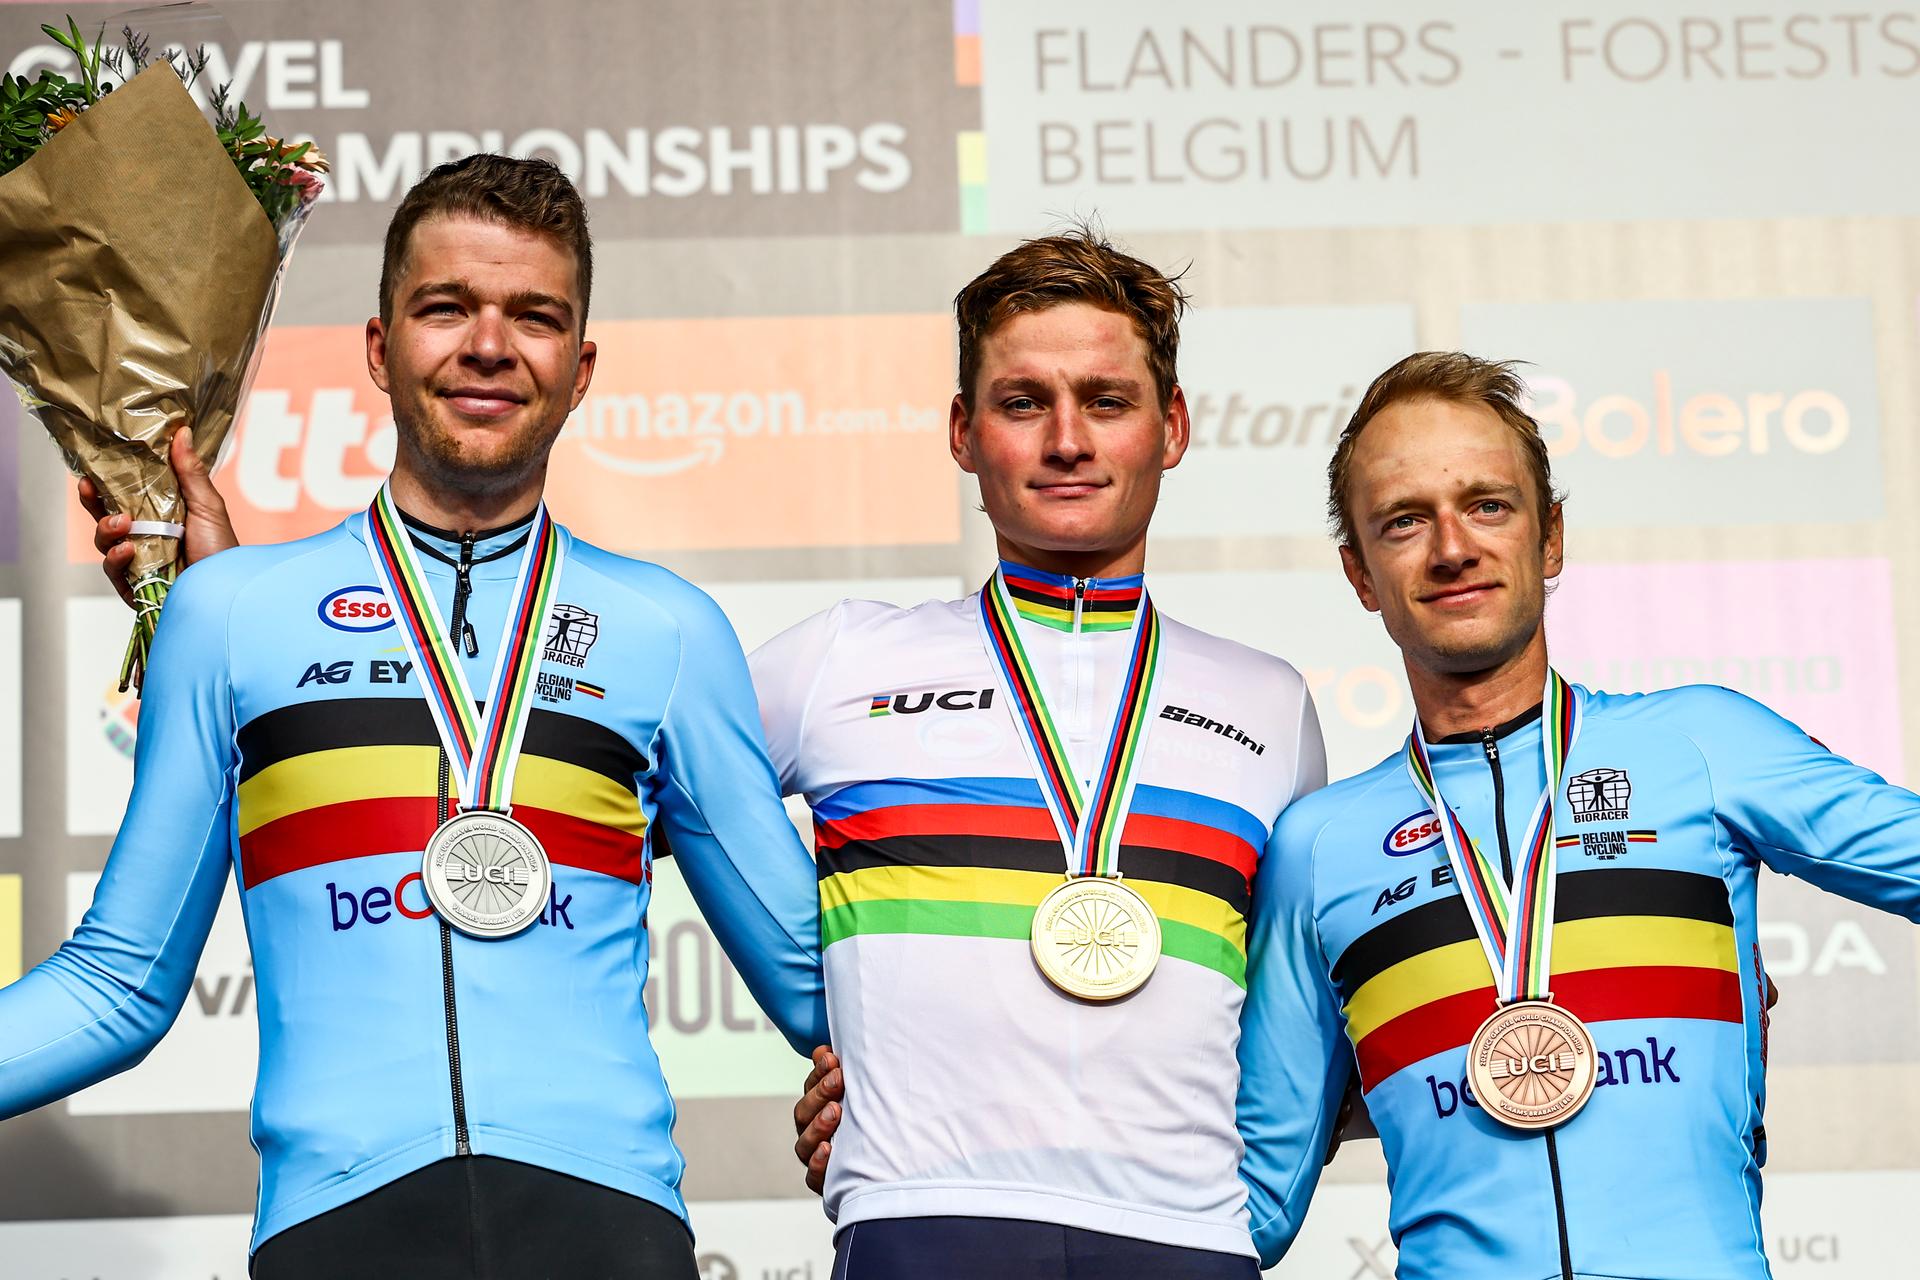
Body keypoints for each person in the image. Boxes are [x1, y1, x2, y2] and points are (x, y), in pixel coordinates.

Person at [14, 154, 828, 1278]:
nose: (489, 345)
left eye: (534, 316)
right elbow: (118, 985)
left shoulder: (668, 631)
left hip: (607, 1227)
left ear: (581, 367)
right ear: (378, 347)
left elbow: (815, 978)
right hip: (340, 1223)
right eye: (446, 307)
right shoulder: (232, 612)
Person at [1235, 351, 1920, 1278]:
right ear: (1360, 573)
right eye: (1405, 521)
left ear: (1550, 537)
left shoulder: (1701, 745)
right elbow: (1255, 1205)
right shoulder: (1318, 848)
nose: (1452, 548)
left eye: (1488, 505)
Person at [763, 231, 1328, 1277]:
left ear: (1173, 426)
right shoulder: (842, 658)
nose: (1067, 440)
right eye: (1023, 403)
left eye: (1107, 401)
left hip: (1191, 1241)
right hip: (924, 1219)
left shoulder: (1271, 703)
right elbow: (651, 798)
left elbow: (1296, 1011)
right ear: (963, 432)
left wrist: (1264, 1213)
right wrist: (830, 1017)